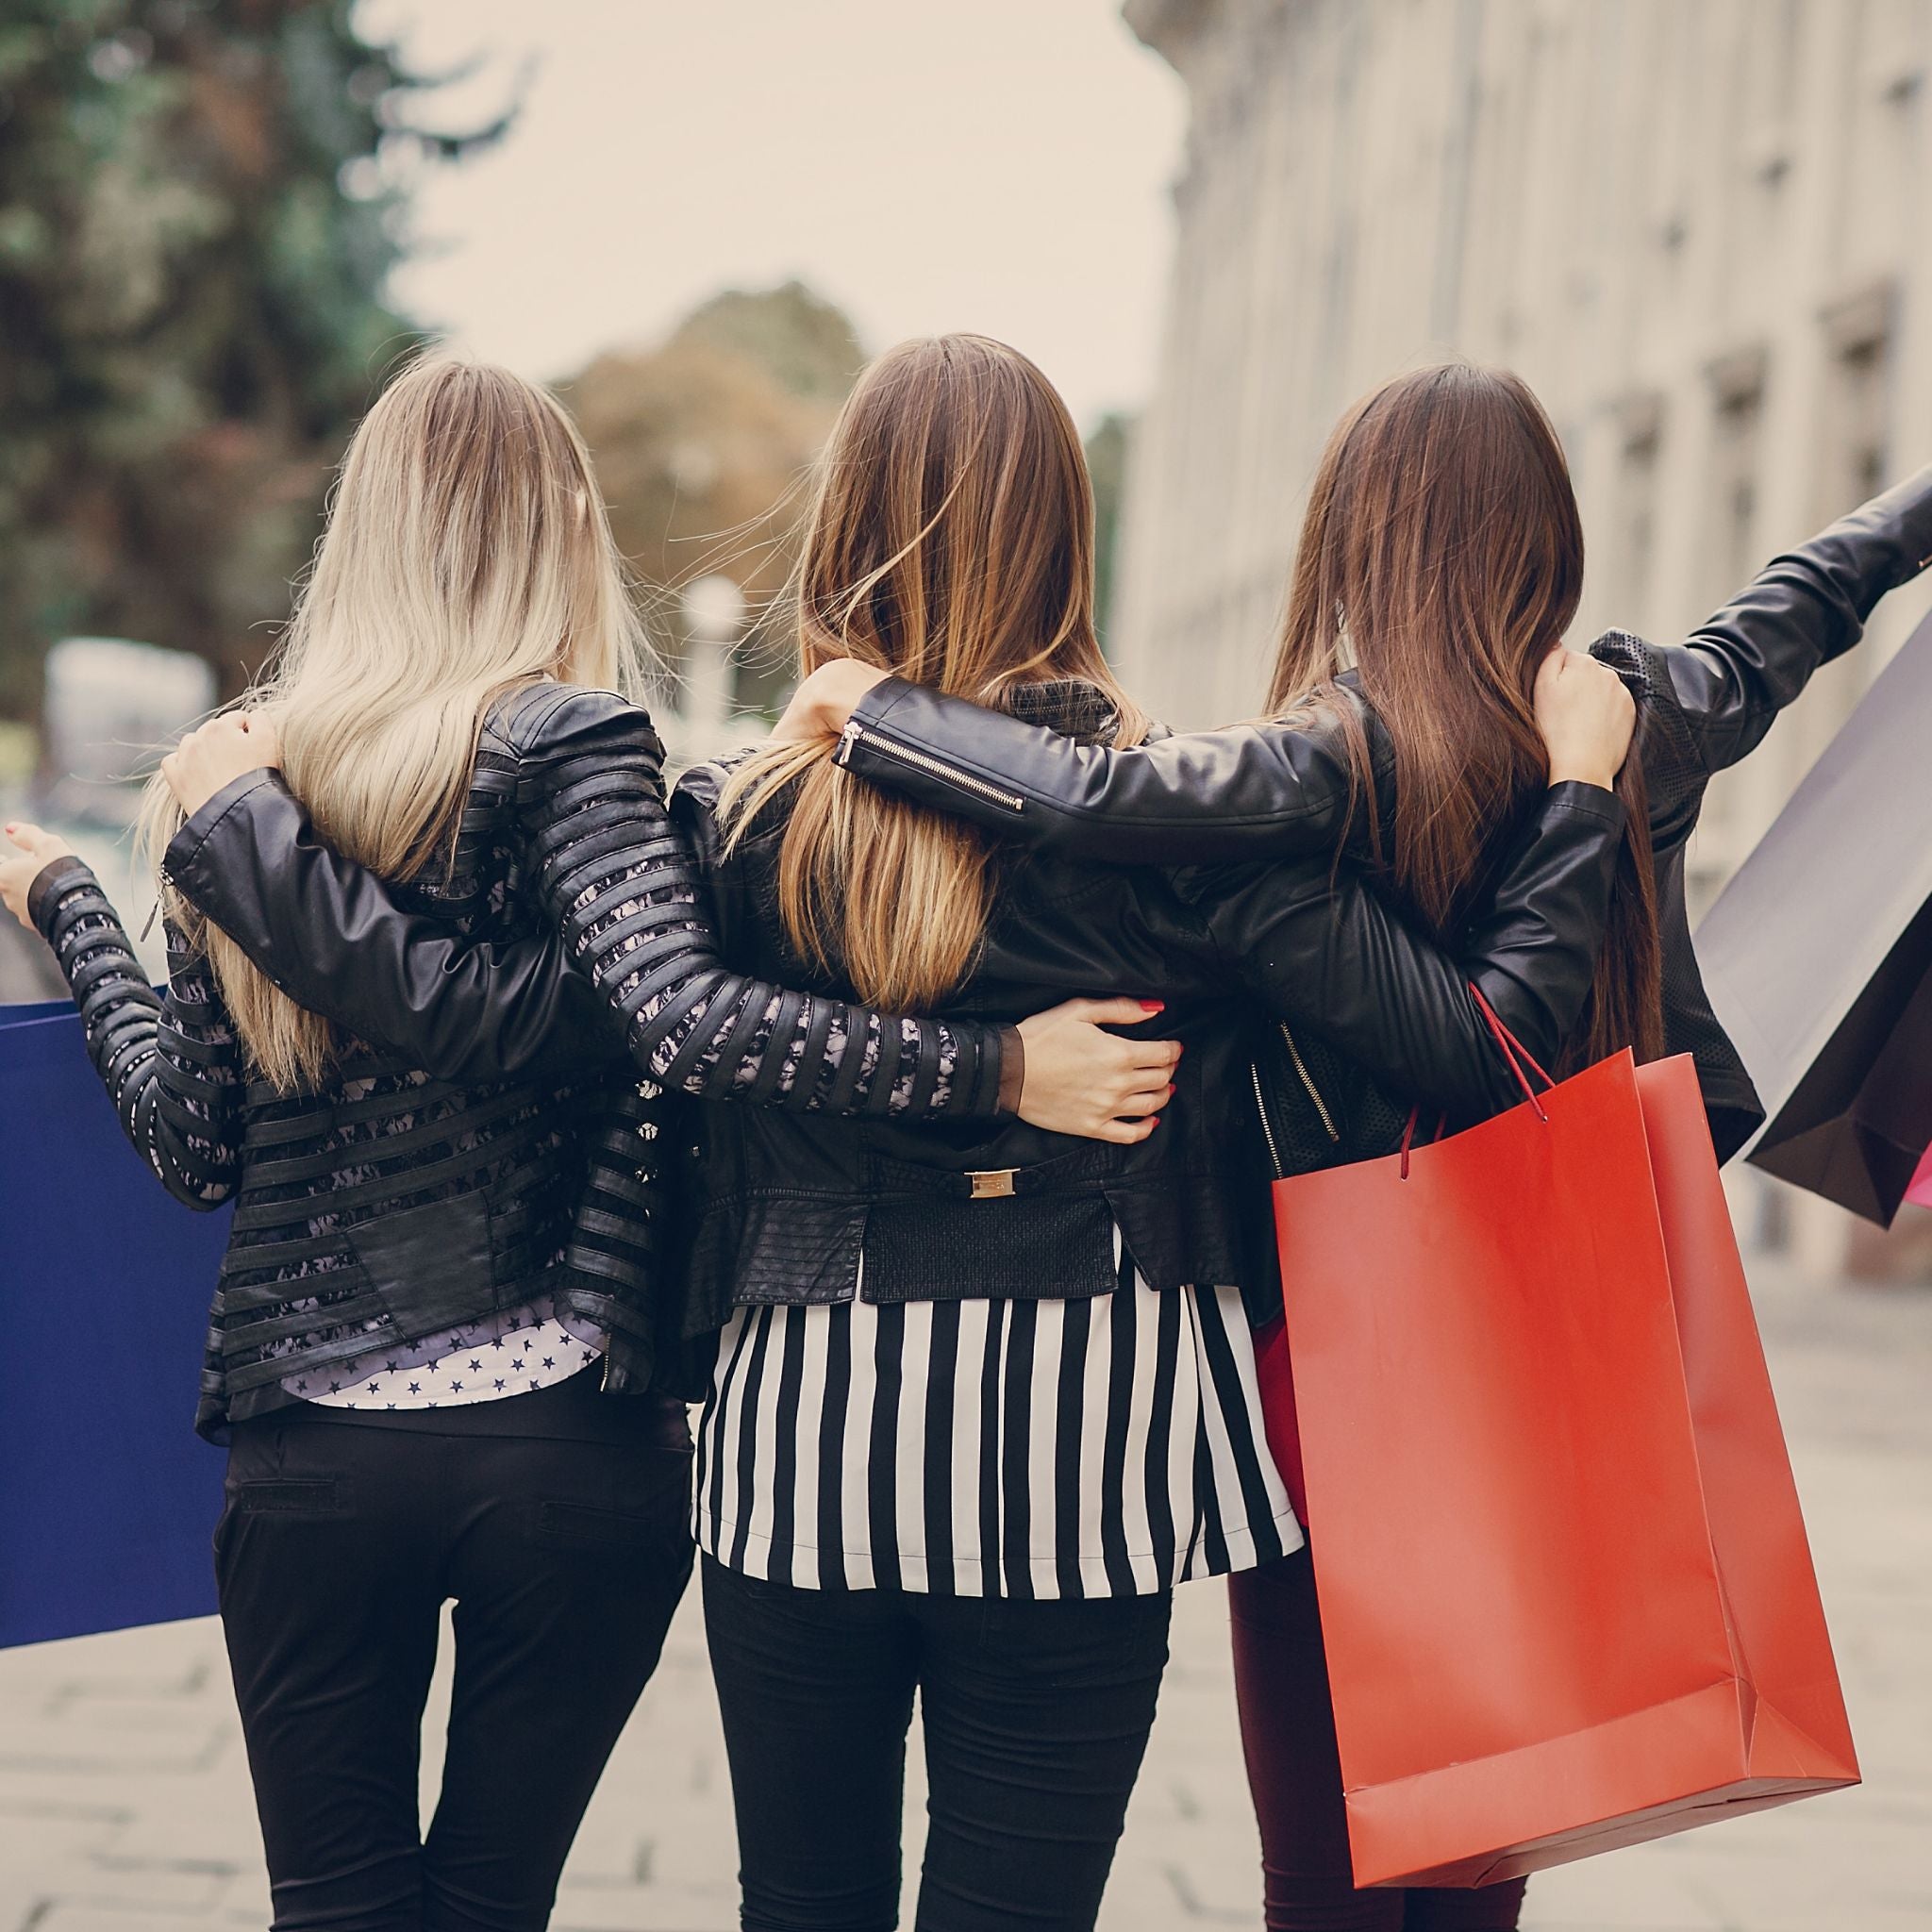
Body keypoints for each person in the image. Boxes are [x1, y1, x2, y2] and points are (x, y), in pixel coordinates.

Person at [139, 336, 1640, 1932]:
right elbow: (1454, 1046)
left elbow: (606, 1032)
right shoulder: (1188, 829)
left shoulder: (737, 824)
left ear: (841, 533)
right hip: (1094, 1452)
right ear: (1074, 538)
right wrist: (1581, 803)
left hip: (807, 1440)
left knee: (808, 1898)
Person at [0, 354, 1174, 1932]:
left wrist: (81, 909)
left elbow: (194, 1140)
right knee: (490, 1902)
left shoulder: (240, 780)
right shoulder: (589, 759)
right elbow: (651, 1017)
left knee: (338, 1908)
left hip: (313, 1452)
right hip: (569, 1446)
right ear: (563, 527)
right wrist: (1003, 1066)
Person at [775, 360, 1932, 1928]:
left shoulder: (1313, 766)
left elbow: (1089, 799)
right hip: (1572, 1324)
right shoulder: (1639, 705)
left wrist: (876, 713)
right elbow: (1815, 592)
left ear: (1346, 540)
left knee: (1335, 1829)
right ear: (1546, 534)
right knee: (1502, 1809)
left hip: (1339, 1349)